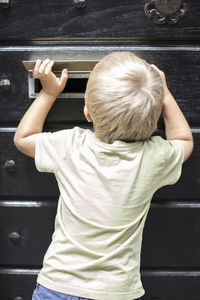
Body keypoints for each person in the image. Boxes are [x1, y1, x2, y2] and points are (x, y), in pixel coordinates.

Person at [14, 52, 193, 300]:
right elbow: (184, 140)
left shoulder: (71, 145)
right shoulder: (153, 157)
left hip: (57, 286)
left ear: (88, 113)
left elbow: (23, 139)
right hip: (116, 291)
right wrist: (165, 94)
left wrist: (48, 93)